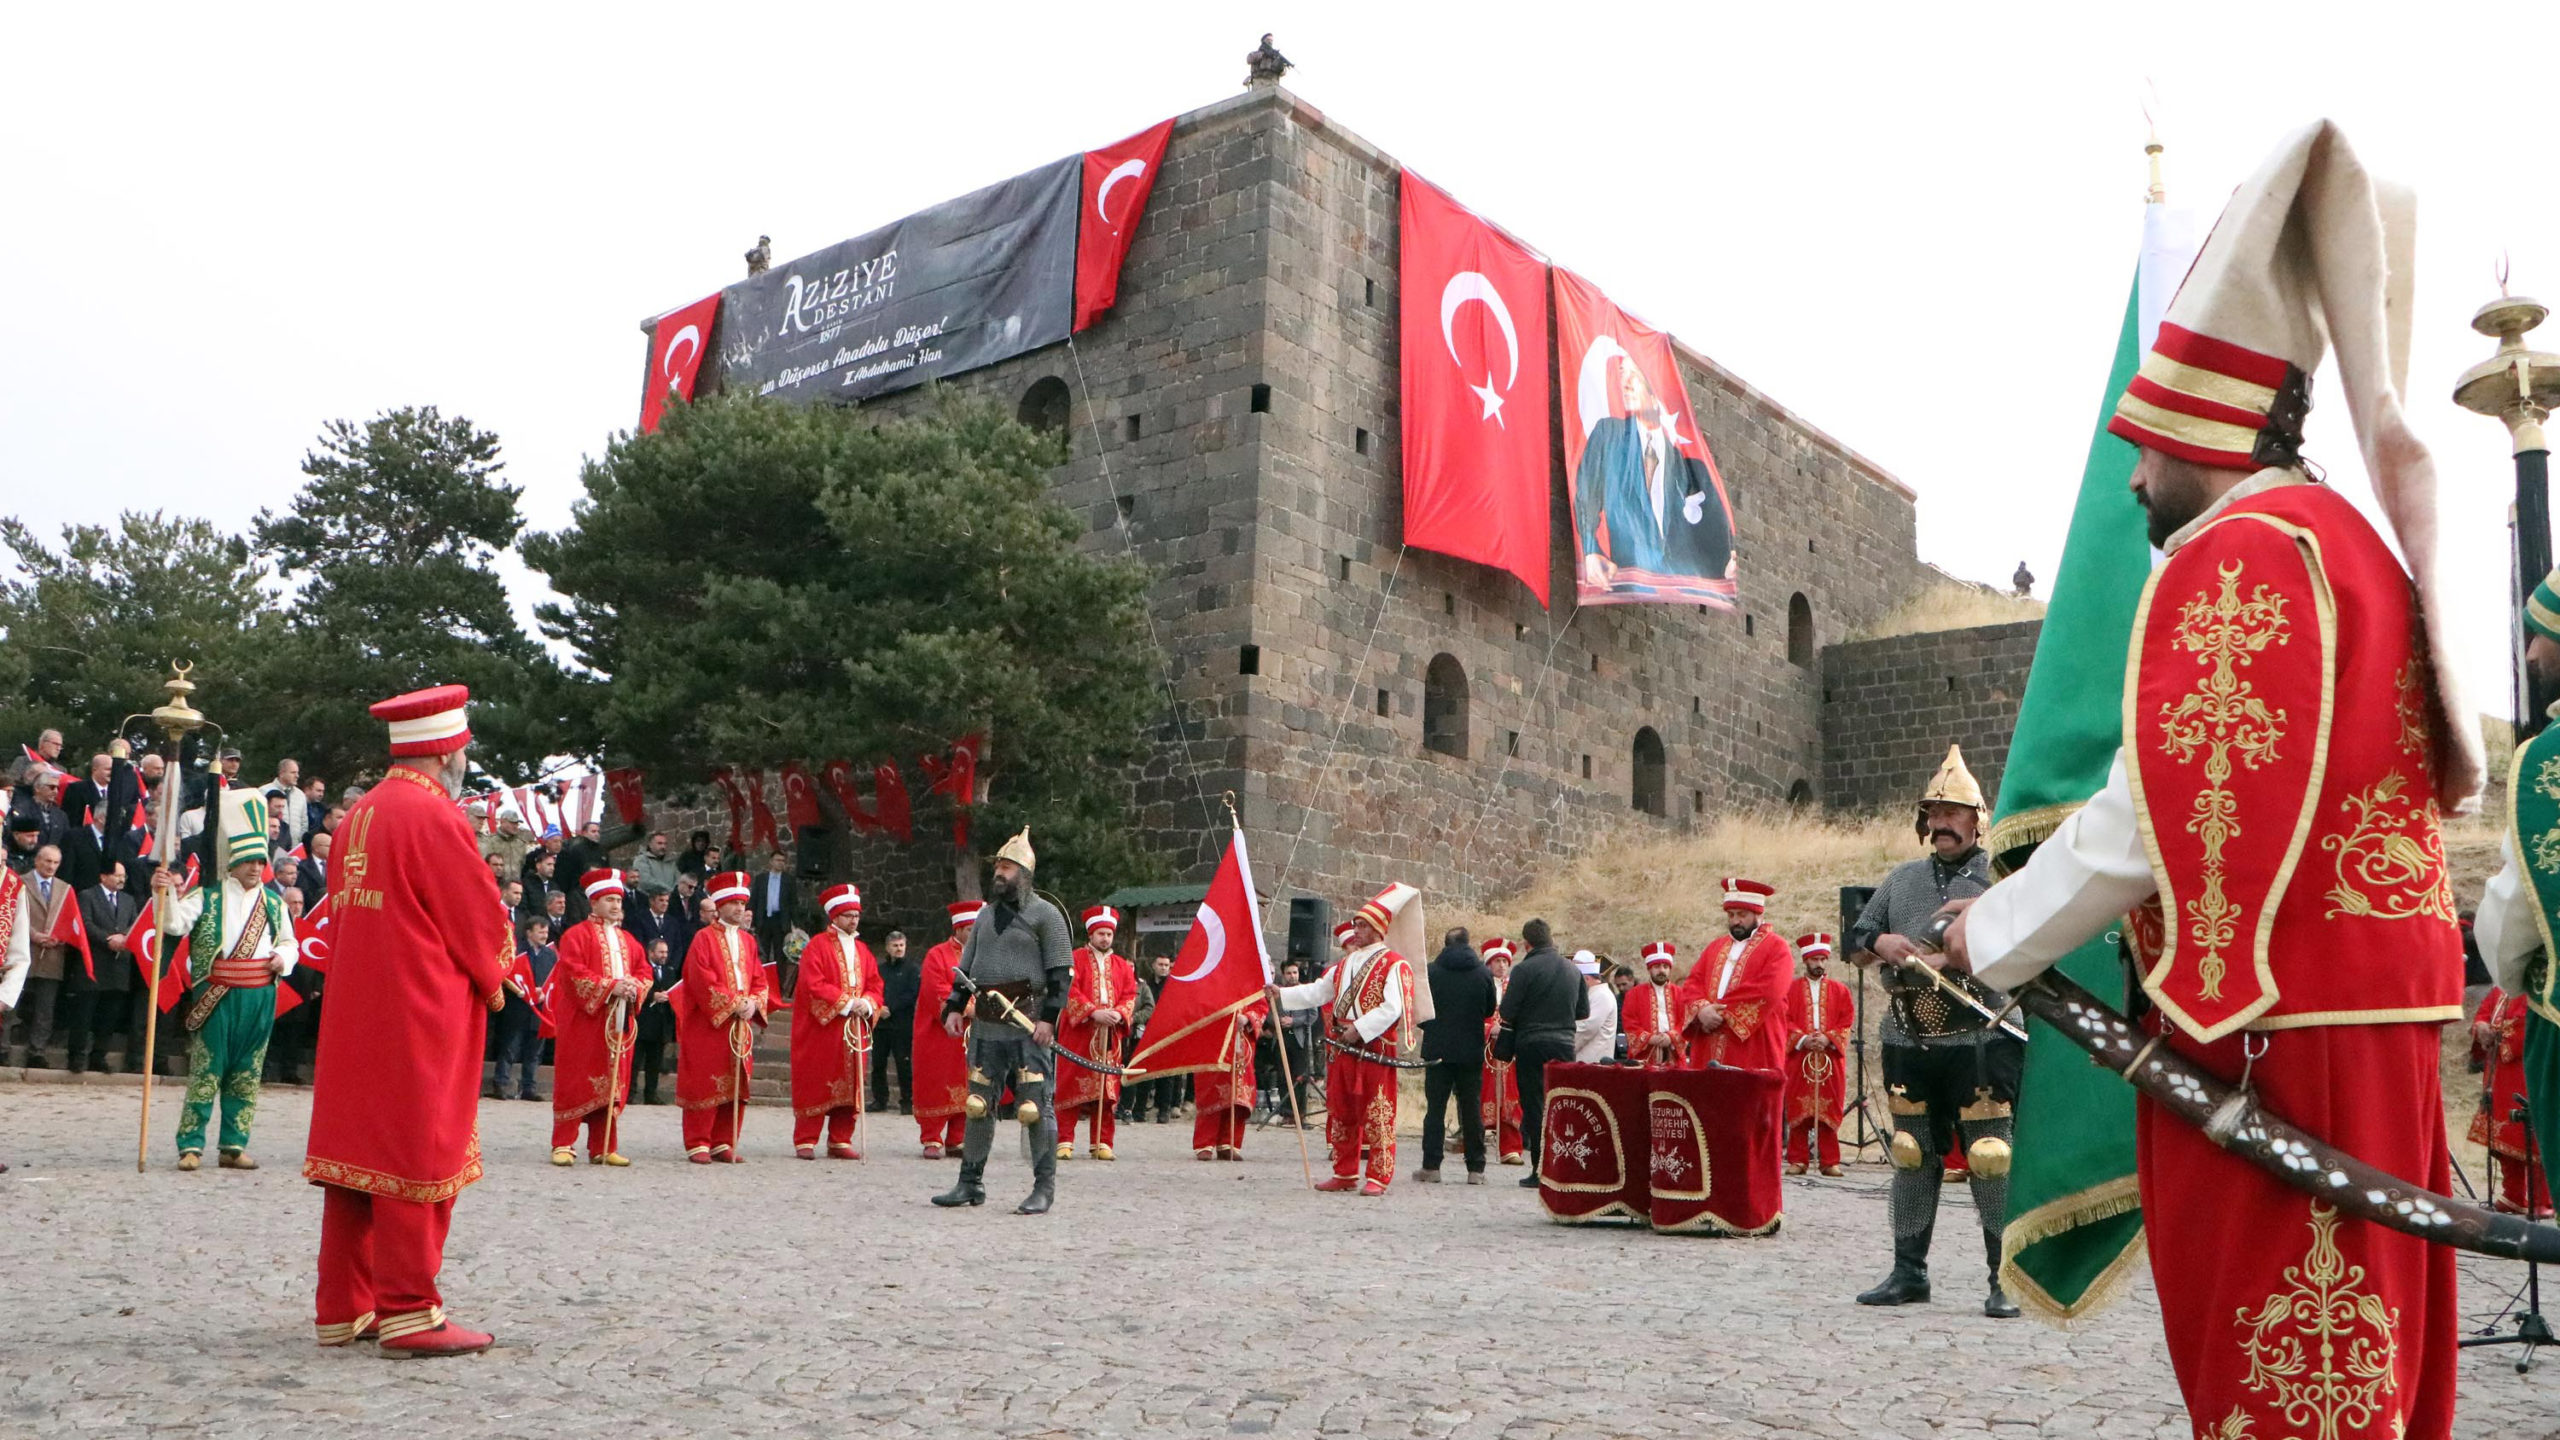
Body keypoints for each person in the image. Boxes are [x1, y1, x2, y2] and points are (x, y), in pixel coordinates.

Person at [1943, 119, 2474, 1435]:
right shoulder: (2344, 541)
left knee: (2287, 1374)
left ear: (2209, 423)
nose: (2134, 476)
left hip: (2281, 1032)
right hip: (2364, 1018)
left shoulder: (2239, 552)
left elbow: (2162, 816)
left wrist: (1989, 934)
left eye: (2148, 442)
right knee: (2371, 1366)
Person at [305, 685, 510, 1355]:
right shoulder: (434, 817)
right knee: (415, 1154)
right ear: (447, 750)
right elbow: (475, 918)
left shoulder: (361, 813)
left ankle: (344, 1306)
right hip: (419, 1010)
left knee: (357, 1160)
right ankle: (409, 1310)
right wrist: (495, 979)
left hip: (358, 1007)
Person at [1846, 746, 2015, 1315]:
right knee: (1913, 1152)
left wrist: (1956, 957)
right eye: (1933, 813)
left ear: (1976, 819)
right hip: (1909, 1041)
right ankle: (1908, 1272)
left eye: (1952, 813)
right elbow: (1858, 937)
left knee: (1991, 1156)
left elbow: (2025, 948)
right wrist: (1881, 942)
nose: (1940, 823)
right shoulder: (1903, 879)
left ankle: (2004, 1278)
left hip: (1982, 1040)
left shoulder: (2002, 878)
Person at [932, 829, 1072, 1215]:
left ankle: (1043, 1188)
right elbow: (966, 969)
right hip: (988, 1024)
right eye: (997, 866)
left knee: (1034, 1106)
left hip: (1028, 1023)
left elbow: (1061, 974)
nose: (999, 872)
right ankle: (969, 1183)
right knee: (977, 1104)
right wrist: (954, 1007)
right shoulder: (985, 915)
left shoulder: (1046, 915)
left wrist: (1049, 1019)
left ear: (1024, 874)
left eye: (1007, 867)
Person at [1272, 883, 1427, 1196]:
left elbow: (1393, 1007)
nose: (1356, 929)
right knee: (1342, 1110)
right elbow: (1318, 991)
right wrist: (1282, 994)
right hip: (1343, 1047)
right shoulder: (1343, 965)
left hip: (1374, 1047)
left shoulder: (1394, 964)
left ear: (1378, 929)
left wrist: (1360, 1028)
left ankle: (1378, 1175)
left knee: (1377, 1111)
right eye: (1356, 924)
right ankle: (1344, 1171)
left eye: (1363, 925)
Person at [1570, 357, 1734, 588]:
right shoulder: (1609, 434)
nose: (1625, 383)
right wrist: (1589, 549)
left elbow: (1710, 526)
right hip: (1625, 578)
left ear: (1656, 397)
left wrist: (1727, 558)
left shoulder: (1685, 464)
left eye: (1634, 376)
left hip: (1673, 585)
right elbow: (1587, 494)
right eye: (1622, 374)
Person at [548, 869, 651, 1166]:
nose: (616, 905)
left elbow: (643, 971)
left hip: (617, 1022)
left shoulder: (629, 940)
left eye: (618, 899)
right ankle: (563, 1142)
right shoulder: (576, 935)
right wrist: (610, 987)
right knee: (576, 1078)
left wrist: (635, 987)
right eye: (609, 899)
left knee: (613, 1081)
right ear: (593, 902)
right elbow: (572, 972)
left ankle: (604, 1145)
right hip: (585, 1021)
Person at [675, 870, 770, 1163]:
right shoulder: (703, 939)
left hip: (740, 1024)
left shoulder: (748, 942)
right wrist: (732, 1003)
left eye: (743, 903)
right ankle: (698, 1141)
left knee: (737, 1082)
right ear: (720, 906)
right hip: (710, 1023)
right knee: (706, 1079)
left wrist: (755, 1002)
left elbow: (759, 977)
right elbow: (700, 979)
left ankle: (724, 1140)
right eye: (733, 903)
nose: (739, 909)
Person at [790, 883, 883, 1159]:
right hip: (825, 1027)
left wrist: (867, 1003)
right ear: (834, 916)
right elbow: (811, 984)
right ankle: (806, 1138)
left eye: (856, 914)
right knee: (817, 1079)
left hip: (853, 1028)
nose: (854, 920)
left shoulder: (863, 950)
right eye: (848, 915)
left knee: (851, 1083)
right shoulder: (816, 947)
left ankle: (841, 1138)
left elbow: (875, 983)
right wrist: (845, 1003)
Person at [1496, 918, 1584, 1188]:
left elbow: (1508, 1011)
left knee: (1535, 1106)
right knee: (1563, 1105)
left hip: (1531, 1044)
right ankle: (1565, 1166)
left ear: (1527, 943)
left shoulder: (1523, 970)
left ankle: (1540, 1168)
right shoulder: (1573, 970)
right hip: (1564, 1044)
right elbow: (1583, 1012)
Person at [1679, 880, 1792, 1071]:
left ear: (1759, 914)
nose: (1735, 921)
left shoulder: (1777, 948)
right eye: (1731, 915)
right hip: (1708, 1043)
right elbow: (1693, 983)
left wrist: (1720, 1014)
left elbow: (1768, 991)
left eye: (1742, 915)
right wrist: (1702, 1010)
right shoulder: (1714, 947)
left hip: (1753, 1045)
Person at [1055, 906, 1138, 1161]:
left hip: (1109, 1036)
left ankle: (1102, 1141)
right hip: (1080, 1033)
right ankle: (1064, 1140)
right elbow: (1068, 991)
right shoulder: (1074, 959)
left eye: (1109, 934)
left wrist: (1120, 1013)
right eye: (1100, 934)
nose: (1105, 939)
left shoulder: (1122, 965)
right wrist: (1092, 1012)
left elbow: (1130, 994)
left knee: (1107, 1091)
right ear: (1091, 935)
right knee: (1071, 1087)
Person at [1417, 926, 1497, 1184]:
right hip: (1471, 1050)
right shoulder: (1483, 973)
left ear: (1444, 944)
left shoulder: (1431, 972)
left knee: (1435, 1109)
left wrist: (1433, 1029)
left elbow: (1421, 1010)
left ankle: (1431, 1167)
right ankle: (1476, 1169)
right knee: (1471, 1109)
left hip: (1438, 1050)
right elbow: (1488, 1009)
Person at [1782, 933, 1853, 1178]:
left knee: (1828, 1108)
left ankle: (1830, 1160)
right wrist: (1802, 1039)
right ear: (1806, 961)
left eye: (1823, 959)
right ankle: (1798, 1159)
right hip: (1800, 1057)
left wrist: (1828, 1038)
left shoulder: (1840, 991)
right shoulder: (1789, 989)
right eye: (1815, 960)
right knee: (1798, 1108)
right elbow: (1784, 1019)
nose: (1820, 964)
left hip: (1829, 1059)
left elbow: (1846, 1021)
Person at [2468, 986, 2543, 1216]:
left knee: (2532, 1137)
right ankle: (2513, 1194)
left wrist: (2501, 1036)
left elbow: (2536, 1025)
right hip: (2498, 1074)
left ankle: (2543, 1199)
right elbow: (2484, 1012)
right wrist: (2480, 1028)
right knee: (2503, 1135)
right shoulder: (2500, 987)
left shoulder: (2539, 985)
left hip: (2528, 1072)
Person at [912, 904, 978, 1157]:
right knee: (937, 1081)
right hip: (940, 1033)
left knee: (969, 1081)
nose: (976, 935)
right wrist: (968, 1008)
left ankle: (958, 1138)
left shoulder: (982, 956)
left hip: (973, 1033)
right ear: (959, 929)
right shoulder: (937, 955)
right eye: (972, 929)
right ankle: (932, 1137)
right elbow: (935, 989)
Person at [69, 858, 141, 1073]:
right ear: (103, 876)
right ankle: (77, 1057)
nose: (121, 880)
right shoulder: (88, 896)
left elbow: (135, 923)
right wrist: (109, 939)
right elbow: (85, 923)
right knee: (85, 1014)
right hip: (95, 963)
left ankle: (99, 1056)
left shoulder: (128, 900)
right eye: (117, 875)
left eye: (123, 876)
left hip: (119, 966)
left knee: (109, 1016)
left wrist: (125, 938)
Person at [12, 843, 75, 1066]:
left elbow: (71, 920)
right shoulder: (19, 882)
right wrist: (32, 935)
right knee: (11, 1003)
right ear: (37, 860)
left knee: (45, 1009)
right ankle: (2, 1049)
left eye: (56, 862)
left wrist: (60, 937)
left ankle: (37, 1052)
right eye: (47, 861)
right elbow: (11, 914)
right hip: (22, 951)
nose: (51, 866)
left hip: (52, 956)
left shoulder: (65, 888)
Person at [487, 917, 549, 1101]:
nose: (544, 936)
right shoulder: (517, 951)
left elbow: (555, 979)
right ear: (529, 932)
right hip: (518, 1007)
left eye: (546, 932)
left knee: (534, 1051)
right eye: (540, 932)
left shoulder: (550, 955)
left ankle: (529, 1087)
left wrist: (545, 991)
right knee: (510, 1047)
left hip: (538, 1009)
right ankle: (501, 1084)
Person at [1478, 938, 1525, 1165]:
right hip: (1485, 1051)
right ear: (1488, 964)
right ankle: (1474, 1146)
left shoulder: (1515, 988)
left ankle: (1511, 1147)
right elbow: (1469, 1017)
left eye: (1505, 961)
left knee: (1511, 1097)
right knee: (1480, 1096)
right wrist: (1489, 1029)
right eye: (1497, 961)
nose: (1502, 965)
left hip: (1509, 1052)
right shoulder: (1479, 985)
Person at [871, 929, 917, 1113]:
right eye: (895, 946)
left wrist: (892, 1008)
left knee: (903, 1063)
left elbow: (913, 994)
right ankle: (879, 1099)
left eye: (901, 945)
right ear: (887, 947)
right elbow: (873, 988)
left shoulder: (912, 969)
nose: (899, 949)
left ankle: (907, 1100)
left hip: (902, 1023)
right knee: (878, 1063)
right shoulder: (879, 969)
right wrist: (878, 1007)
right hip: (881, 1023)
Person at [1622, 941, 1684, 1068]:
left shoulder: (1681, 993)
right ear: (1649, 969)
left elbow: (1687, 1022)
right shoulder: (1633, 994)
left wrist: (1671, 1037)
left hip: (1674, 1058)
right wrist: (1650, 1038)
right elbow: (1629, 1023)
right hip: (1643, 1059)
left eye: (1665, 967)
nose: (1661, 970)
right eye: (1657, 967)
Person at [751, 849, 798, 986]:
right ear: (771, 862)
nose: (780, 863)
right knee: (762, 953)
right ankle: (760, 984)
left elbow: (793, 903)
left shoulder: (788, 880)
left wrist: (795, 924)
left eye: (783, 861)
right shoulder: (761, 879)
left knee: (780, 955)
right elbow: (754, 900)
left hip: (780, 920)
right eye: (777, 860)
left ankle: (778, 985)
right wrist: (752, 920)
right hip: (764, 919)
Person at [1572, 951, 1618, 1062]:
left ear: (1586, 979)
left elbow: (1587, 1028)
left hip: (1594, 1063)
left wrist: (1565, 1048)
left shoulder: (1601, 995)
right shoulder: (1593, 994)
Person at [478, 809, 530, 877]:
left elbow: (522, 865)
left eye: (516, 823)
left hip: (516, 884)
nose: (515, 826)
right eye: (512, 823)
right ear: (502, 822)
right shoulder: (490, 841)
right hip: (496, 884)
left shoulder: (521, 844)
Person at [632, 831, 679, 897]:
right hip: (649, 901)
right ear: (650, 845)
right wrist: (668, 890)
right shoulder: (642, 860)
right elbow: (645, 881)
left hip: (669, 901)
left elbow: (678, 880)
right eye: (659, 843)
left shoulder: (671, 862)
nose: (663, 846)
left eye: (665, 844)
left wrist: (674, 893)